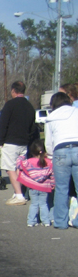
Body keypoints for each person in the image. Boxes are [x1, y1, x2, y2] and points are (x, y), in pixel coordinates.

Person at [0, 81, 37, 206]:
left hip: (11, 141)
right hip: (24, 142)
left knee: (10, 168)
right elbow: (32, 126)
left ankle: (19, 195)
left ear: (13, 91)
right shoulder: (29, 106)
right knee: (20, 167)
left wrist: (1, 140)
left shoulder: (10, 105)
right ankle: (18, 192)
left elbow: (3, 124)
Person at [44, 91, 78, 229]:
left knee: (61, 188)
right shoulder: (76, 112)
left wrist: (51, 156)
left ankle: (60, 222)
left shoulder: (51, 117)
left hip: (60, 150)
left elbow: (48, 142)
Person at [16, 140, 54, 227]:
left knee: (34, 204)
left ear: (32, 152)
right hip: (44, 187)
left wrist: (21, 156)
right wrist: (53, 184)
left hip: (32, 187)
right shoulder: (49, 162)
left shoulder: (28, 162)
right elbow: (53, 174)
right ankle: (46, 221)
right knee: (44, 204)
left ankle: (31, 221)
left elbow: (19, 164)